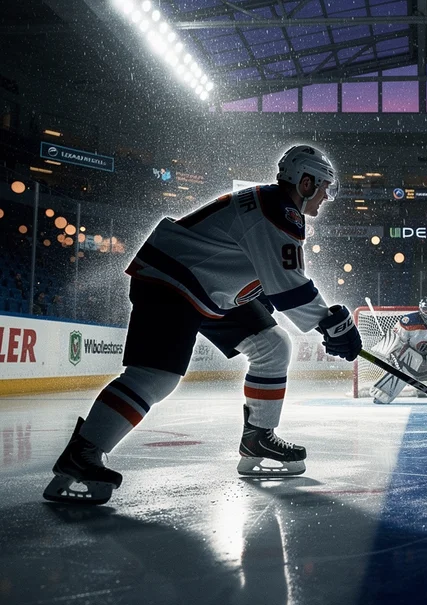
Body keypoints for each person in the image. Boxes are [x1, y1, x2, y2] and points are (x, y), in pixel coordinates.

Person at [43, 145, 362, 505]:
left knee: (272, 344)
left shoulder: (272, 203)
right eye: (324, 188)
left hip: (206, 285)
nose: (326, 197)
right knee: (155, 377)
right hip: (173, 280)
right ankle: (83, 453)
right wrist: (333, 325)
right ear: (306, 183)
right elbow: (290, 289)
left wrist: (325, 321)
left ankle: (257, 437)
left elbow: (271, 280)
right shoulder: (278, 212)